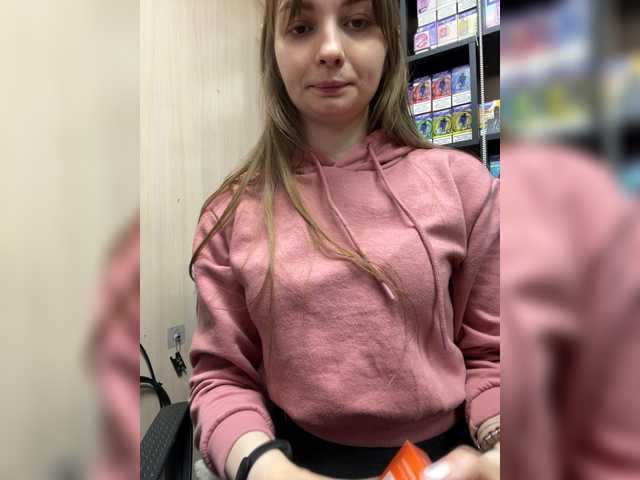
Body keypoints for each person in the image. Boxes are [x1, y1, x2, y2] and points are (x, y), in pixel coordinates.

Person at [188, 1, 500, 479]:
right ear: (272, 50)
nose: (330, 49)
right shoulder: (229, 214)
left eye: (357, 23)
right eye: (301, 27)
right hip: (290, 460)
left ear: (389, 42)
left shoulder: (465, 188)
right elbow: (222, 377)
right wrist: (273, 473)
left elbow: (493, 357)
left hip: (447, 460)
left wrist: (499, 453)